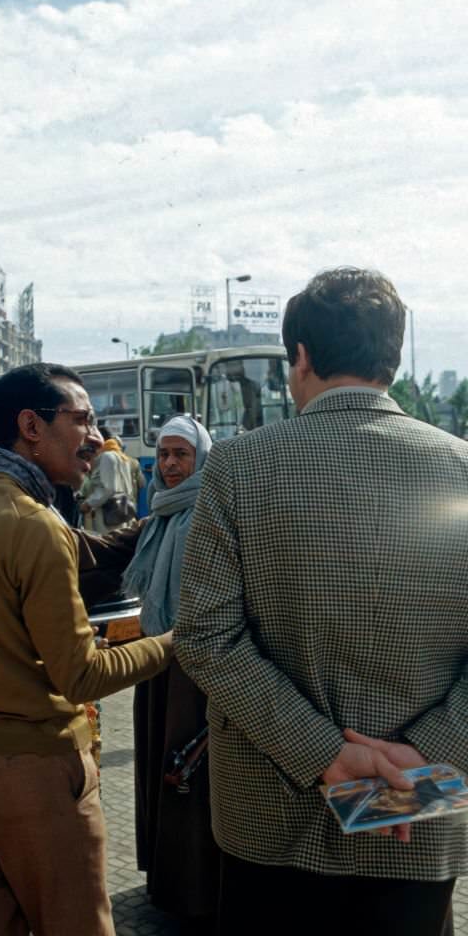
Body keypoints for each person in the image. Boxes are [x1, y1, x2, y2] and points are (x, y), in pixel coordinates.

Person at [175, 268, 468, 936]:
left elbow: (204, 637)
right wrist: (417, 763)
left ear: (299, 356)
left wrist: (325, 755)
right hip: (417, 817)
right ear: (391, 358)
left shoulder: (239, 467)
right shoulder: (463, 470)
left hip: (272, 819)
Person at [0, 362, 173, 936]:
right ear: (31, 426)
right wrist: (170, 643)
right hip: (34, 768)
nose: (95, 438)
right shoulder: (36, 526)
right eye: (82, 420)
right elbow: (80, 675)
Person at [121, 415, 219, 929]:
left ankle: (195, 890)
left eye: (181, 455)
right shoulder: (158, 513)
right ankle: (163, 877)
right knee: (160, 766)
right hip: (157, 660)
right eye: (163, 455)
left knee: (189, 772)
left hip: (195, 668)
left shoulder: (211, 509)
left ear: (201, 456)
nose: (171, 465)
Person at [80, 426, 146, 533]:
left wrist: (88, 503)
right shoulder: (122, 457)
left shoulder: (107, 456)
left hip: (106, 516)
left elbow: (108, 489)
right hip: (120, 512)